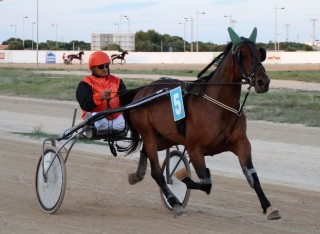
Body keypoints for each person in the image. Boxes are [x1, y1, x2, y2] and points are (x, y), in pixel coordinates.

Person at [76, 51, 127, 135]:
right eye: (101, 67)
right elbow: (85, 105)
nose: (105, 69)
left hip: (116, 117)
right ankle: (90, 124)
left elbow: (126, 99)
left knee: (127, 120)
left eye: (106, 66)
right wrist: (100, 97)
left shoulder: (117, 81)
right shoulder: (85, 83)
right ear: (92, 68)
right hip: (98, 117)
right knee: (97, 119)